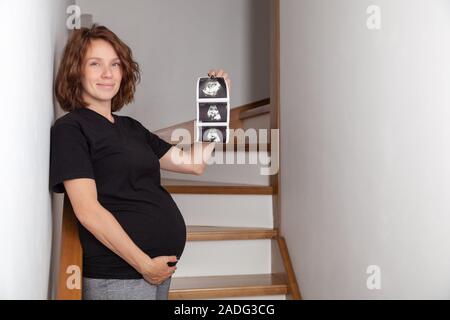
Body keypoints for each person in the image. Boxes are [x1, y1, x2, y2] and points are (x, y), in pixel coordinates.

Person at [49, 24, 231, 300]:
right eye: (95, 64)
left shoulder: (131, 128)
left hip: (156, 271)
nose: (108, 74)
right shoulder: (71, 129)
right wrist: (144, 264)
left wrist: (217, 108)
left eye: (115, 64)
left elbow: (194, 163)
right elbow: (87, 210)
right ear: (76, 71)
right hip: (119, 275)